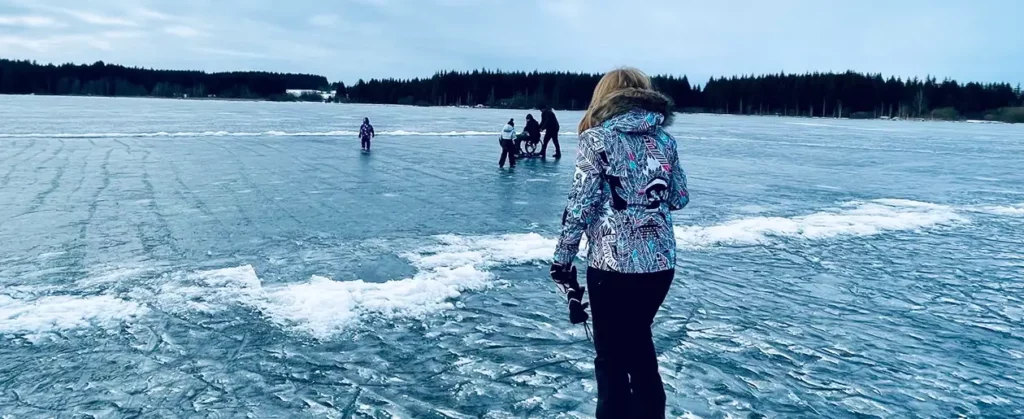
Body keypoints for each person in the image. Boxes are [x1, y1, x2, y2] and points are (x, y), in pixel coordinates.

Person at [549, 68, 689, 419]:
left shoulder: (596, 139)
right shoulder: (665, 141)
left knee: (611, 357)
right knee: (639, 347)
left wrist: (562, 261)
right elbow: (679, 197)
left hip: (613, 266)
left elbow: (580, 204)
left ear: (604, 98)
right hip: (659, 265)